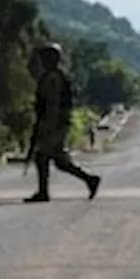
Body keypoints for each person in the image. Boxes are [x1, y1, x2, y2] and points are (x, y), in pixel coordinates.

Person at [25, 43, 102, 203]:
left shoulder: (53, 78)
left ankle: (43, 192)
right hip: (56, 123)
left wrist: (47, 126)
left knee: (43, 157)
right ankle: (89, 180)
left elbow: (52, 104)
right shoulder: (53, 76)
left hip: (54, 124)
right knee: (59, 161)